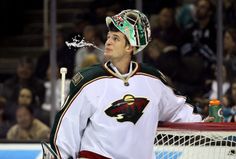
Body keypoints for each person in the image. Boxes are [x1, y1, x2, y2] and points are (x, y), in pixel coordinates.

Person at [50, 9, 213, 159]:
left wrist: (201, 120)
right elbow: (67, 129)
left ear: (130, 46)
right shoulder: (89, 80)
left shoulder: (153, 80)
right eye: (108, 36)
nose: (108, 42)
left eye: (116, 38)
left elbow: (177, 109)